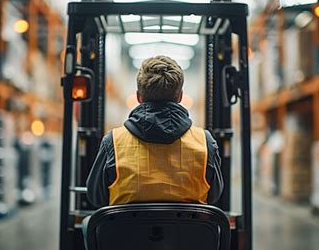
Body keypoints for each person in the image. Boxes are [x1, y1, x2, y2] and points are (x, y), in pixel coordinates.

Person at [86, 55, 223, 207]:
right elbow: (215, 195)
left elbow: (96, 196)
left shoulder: (113, 141)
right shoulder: (204, 142)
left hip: (125, 231)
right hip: (189, 231)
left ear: (139, 96)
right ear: (180, 97)